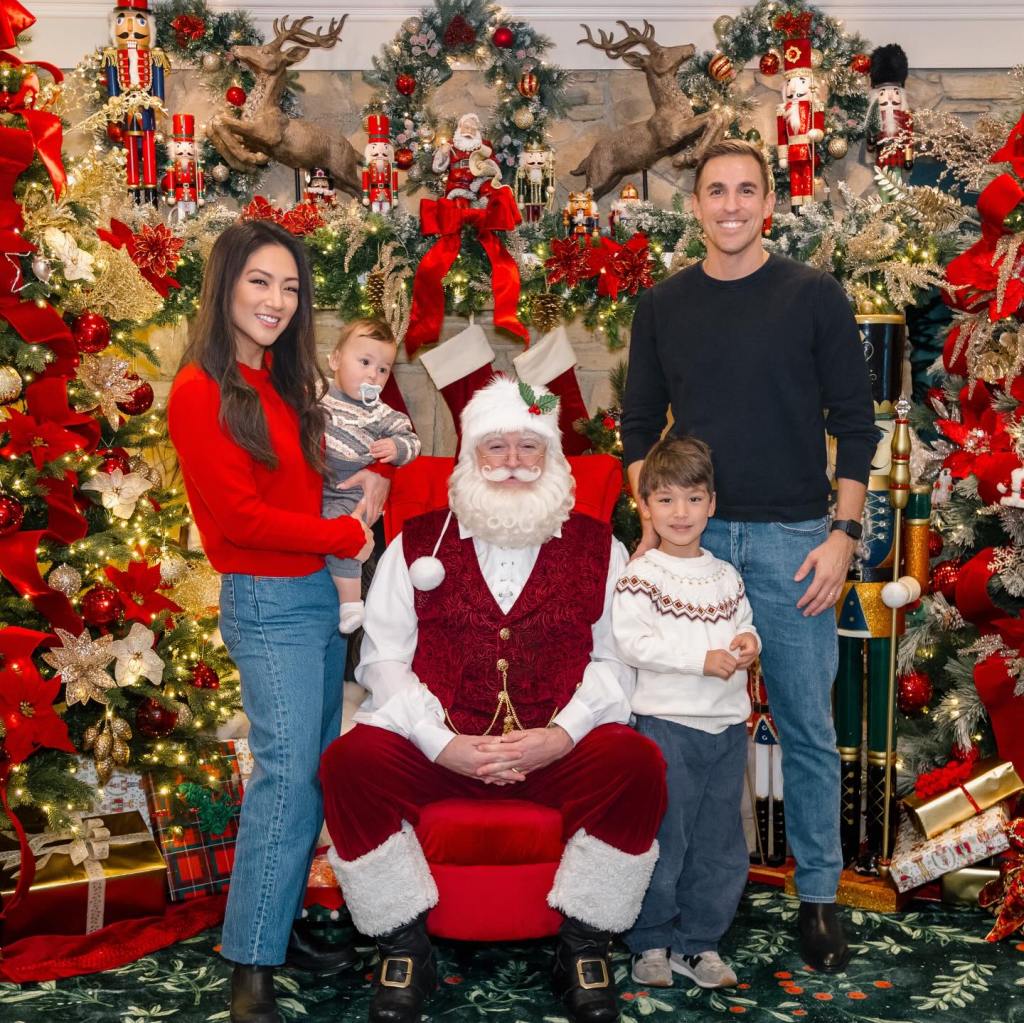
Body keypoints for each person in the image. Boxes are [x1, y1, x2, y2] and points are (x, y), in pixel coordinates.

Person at [320, 375, 668, 1023]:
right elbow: (383, 659)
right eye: (496, 447)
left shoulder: (601, 549)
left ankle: (584, 941)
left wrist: (561, 735)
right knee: (349, 762)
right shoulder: (416, 543)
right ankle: (403, 941)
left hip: (554, 759)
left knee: (638, 763)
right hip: (442, 753)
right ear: (471, 458)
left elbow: (616, 662)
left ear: (552, 456)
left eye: (528, 447)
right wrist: (440, 742)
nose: (512, 464)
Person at [621, 139, 878, 974]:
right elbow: (637, 424)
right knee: (671, 725)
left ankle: (819, 898)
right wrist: (654, 527)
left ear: (769, 203)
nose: (730, 205)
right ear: (694, 205)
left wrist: (843, 534)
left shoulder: (813, 295)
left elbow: (855, 423)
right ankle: (674, 901)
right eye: (715, 191)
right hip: (692, 542)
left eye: (746, 191)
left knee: (806, 723)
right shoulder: (663, 304)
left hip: (796, 541)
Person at [167, 219, 375, 1023]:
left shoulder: (281, 385)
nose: (277, 301)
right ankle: (250, 961)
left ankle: (276, 925)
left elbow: (307, 487)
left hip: (317, 596)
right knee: (287, 777)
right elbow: (241, 521)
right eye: (260, 281)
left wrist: (366, 492)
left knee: (316, 771)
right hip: (267, 596)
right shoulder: (201, 390)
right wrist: (342, 534)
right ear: (225, 286)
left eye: (290, 287)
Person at [614, 436, 759, 990]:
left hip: (724, 729)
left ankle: (699, 942)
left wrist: (747, 641)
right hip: (665, 727)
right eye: (667, 500)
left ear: (712, 504)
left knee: (719, 842)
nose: (681, 513)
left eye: (693, 499)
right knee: (663, 840)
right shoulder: (641, 576)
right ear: (645, 505)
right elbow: (633, 644)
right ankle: (650, 939)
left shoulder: (724, 574)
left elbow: (743, 621)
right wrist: (700, 660)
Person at [322, 318, 421, 633]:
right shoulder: (318, 396)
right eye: (364, 362)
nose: (372, 376)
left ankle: (351, 602)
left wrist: (395, 446)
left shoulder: (381, 413)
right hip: (320, 481)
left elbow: (412, 440)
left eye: (383, 369)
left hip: (351, 491)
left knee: (345, 533)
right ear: (335, 359)